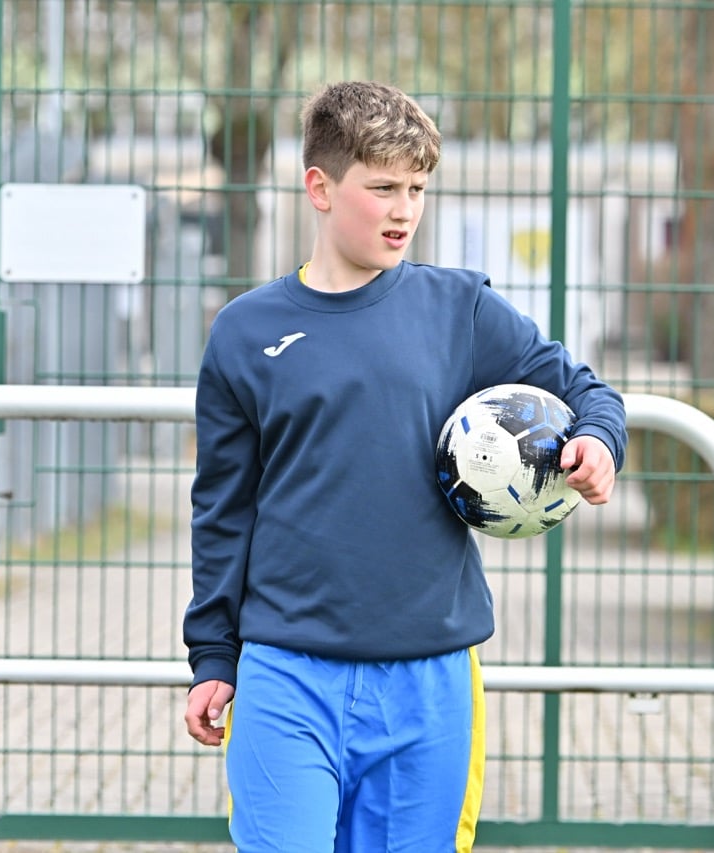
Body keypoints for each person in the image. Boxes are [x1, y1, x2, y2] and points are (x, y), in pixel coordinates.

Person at [183, 80, 627, 852]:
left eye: (417, 188)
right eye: (382, 186)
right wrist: (214, 655)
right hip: (286, 674)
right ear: (319, 187)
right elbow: (223, 509)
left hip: (430, 678)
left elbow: (585, 389)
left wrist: (597, 441)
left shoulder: (459, 308)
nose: (404, 208)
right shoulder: (244, 331)